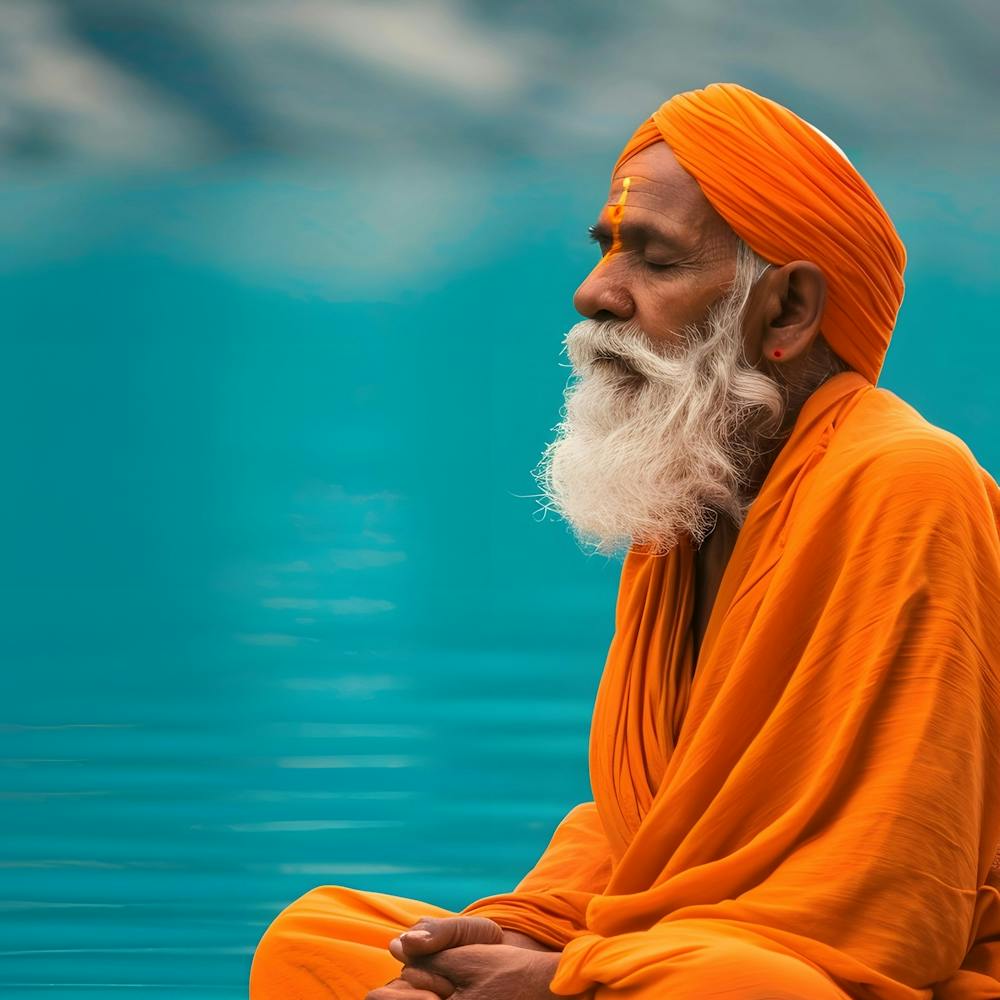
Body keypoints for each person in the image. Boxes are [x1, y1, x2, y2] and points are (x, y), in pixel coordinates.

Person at [249, 82, 1000, 999]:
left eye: (655, 260)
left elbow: (893, 914)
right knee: (314, 938)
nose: (594, 292)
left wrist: (571, 979)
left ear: (789, 311)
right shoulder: (689, 500)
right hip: (660, 953)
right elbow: (651, 826)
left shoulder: (910, 481)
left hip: (822, 974)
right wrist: (519, 935)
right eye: (607, 250)